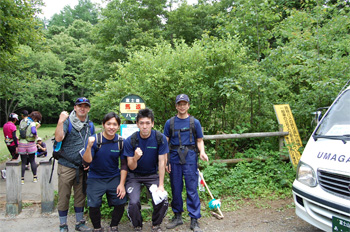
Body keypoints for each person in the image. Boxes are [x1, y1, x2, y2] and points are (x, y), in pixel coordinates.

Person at [163, 94, 209, 232]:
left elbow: (200, 140)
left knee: (192, 189)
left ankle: (194, 219)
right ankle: (177, 216)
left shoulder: (195, 122)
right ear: (176, 106)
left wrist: (202, 152)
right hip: (174, 158)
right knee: (176, 188)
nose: (182, 106)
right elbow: (165, 142)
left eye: (185, 104)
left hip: (190, 158)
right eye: (179, 104)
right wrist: (166, 161)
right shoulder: (169, 123)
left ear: (188, 105)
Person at [123, 108, 169, 232]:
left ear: (152, 123)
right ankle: (137, 225)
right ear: (137, 124)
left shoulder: (160, 138)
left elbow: (161, 162)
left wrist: (161, 185)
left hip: (152, 175)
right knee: (133, 202)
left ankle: (156, 224)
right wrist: (135, 157)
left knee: (163, 199)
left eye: (147, 123)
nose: (144, 126)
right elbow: (131, 166)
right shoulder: (130, 140)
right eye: (141, 123)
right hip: (134, 175)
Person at [54, 97, 94, 232]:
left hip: (82, 167)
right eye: (80, 106)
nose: (83, 108)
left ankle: (79, 223)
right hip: (66, 165)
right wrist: (60, 121)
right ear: (75, 107)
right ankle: (63, 225)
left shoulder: (90, 125)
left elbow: (91, 145)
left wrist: (89, 161)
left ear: (88, 108)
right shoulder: (67, 122)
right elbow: (59, 138)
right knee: (64, 195)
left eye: (85, 106)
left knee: (80, 196)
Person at [83, 112, 127, 232]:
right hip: (95, 177)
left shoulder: (121, 141)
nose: (111, 127)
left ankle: (114, 226)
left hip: (113, 176)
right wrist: (88, 146)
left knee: (120, 201)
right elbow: (87, 162)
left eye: (114, 124)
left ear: (118, 126)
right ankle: (97, 228)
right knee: (93, 204)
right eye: (109, 124)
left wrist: (122, 184)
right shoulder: (96, 139)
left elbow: (124, 165)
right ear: (103, 125)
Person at [18, 111, 42, 185]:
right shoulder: (32, 123)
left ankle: (22, 178)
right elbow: (34, 131)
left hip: (22, 143)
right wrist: (36, 135)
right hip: (30, 144)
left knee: (23, 162)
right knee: (32, 161)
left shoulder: (21, 122)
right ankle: (34, 177)